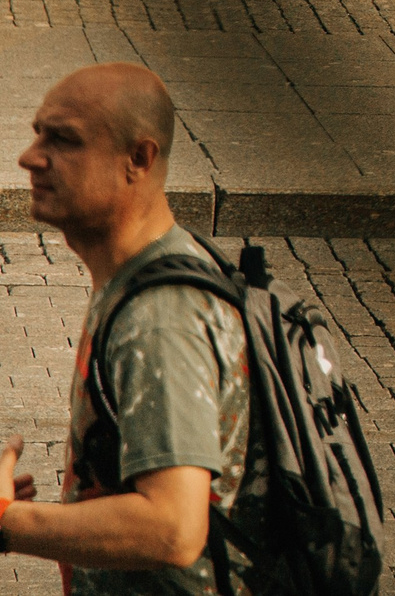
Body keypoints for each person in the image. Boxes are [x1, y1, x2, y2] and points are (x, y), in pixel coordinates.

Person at [2, 64, 254, 594]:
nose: (29, 157)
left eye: (64, 140)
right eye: (37, 133)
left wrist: (7, 522)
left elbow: (173, 528)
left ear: (138, 159)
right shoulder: (137, 275)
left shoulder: (160, 319)